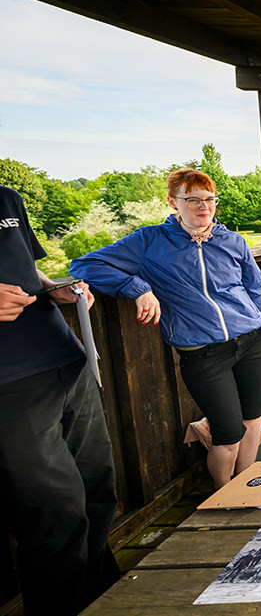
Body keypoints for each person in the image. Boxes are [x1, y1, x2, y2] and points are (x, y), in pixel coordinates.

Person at [70, 169, 261, 490]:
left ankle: (247, 489)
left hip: (253, 340)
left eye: (210, 199)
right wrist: (137, 286)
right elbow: (84, 266)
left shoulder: (233, 241)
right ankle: (223, 493)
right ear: (173, 202)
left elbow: (255, 291)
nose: (204, 207)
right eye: (193, 200)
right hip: (202, 354)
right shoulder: (149, 241)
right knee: (227, 433)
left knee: (252, 420)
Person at [0, 185, 119, 615]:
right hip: (8, 387)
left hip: (67, 359)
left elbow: (28, 270)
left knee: (98, 490)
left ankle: (108, 599)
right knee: (54, 516)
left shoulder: (6, 198)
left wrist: (57, 289)